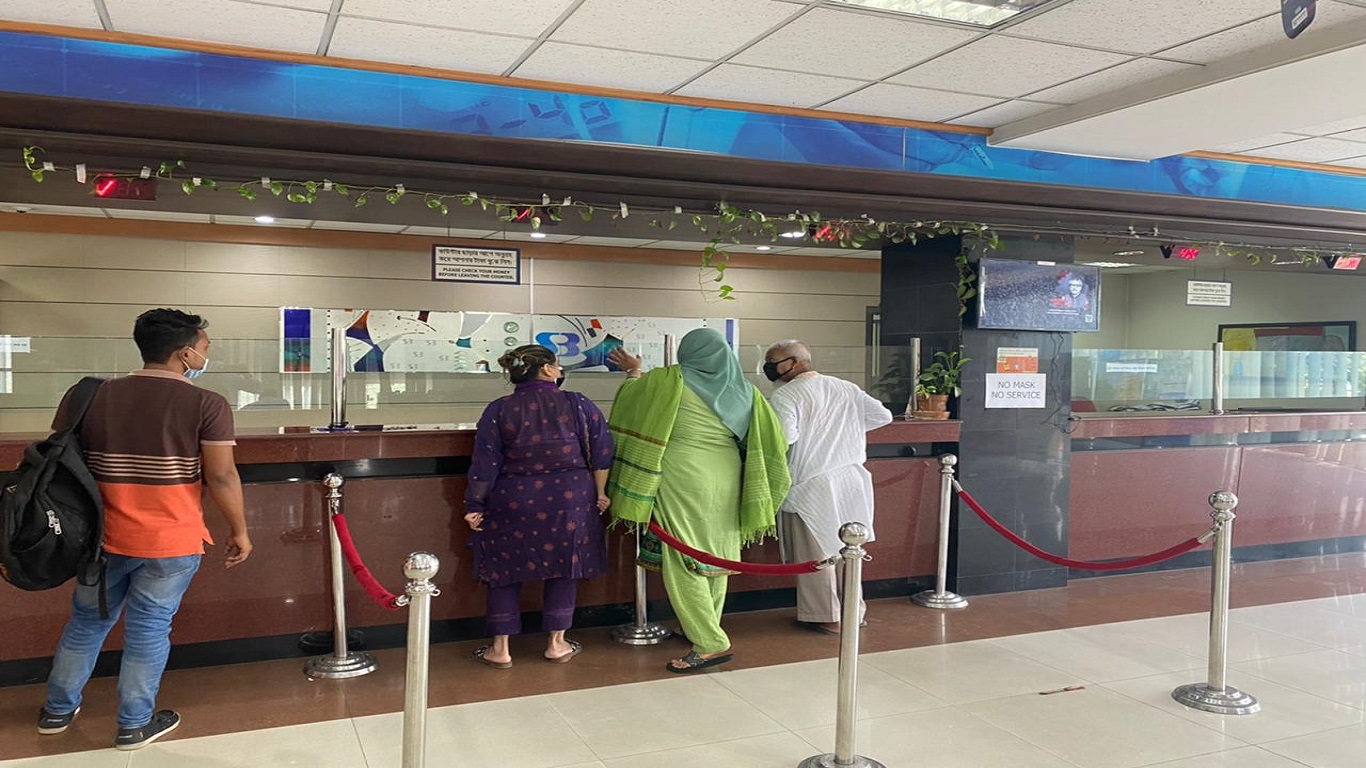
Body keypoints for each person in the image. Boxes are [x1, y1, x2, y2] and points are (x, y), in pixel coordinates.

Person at [39, 308, 252, 751]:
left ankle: (56, 711)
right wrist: (240, 529)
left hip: (98, 537)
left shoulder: (87, 396)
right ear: (185, 353)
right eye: (205, 347)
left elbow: (61, 457)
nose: (206, 354)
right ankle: (134, 724)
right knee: (149, 628)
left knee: (86, 622)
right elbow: (221, 476)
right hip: (170, 539)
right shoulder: (207, 403)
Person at [606, 328, 790, 673]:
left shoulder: (668, 380)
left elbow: (631, 401)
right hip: (728, 476)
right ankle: (705, 625)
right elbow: (771, 438)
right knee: (715, 557)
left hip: (683, 476)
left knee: (683, 557)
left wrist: (634, 371)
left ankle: (709, 642)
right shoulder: (746, 390)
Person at [463, 344, 613, 668]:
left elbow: (485, 463)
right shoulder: (578, 403)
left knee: (504, 571)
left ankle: (500, 649)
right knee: (564, 567)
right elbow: (602, 452)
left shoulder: (499, 409)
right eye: (557, 364)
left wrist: (475, 504)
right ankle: (556, 644)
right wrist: (600, 493)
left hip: (513, 499)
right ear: (546, 369)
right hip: (571, 500)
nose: (560, 369)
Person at [764, 340, 892, 635]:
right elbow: (882, 416)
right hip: (851, 479)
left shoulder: (787, 394)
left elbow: (785, 437)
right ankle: (854, 612)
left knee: (816, 554)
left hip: (812, 484)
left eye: (773, 361)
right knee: (850, 550)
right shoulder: (845, 387)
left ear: (794, 362)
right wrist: (846, 431)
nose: (769, 367)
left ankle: (826, 615)